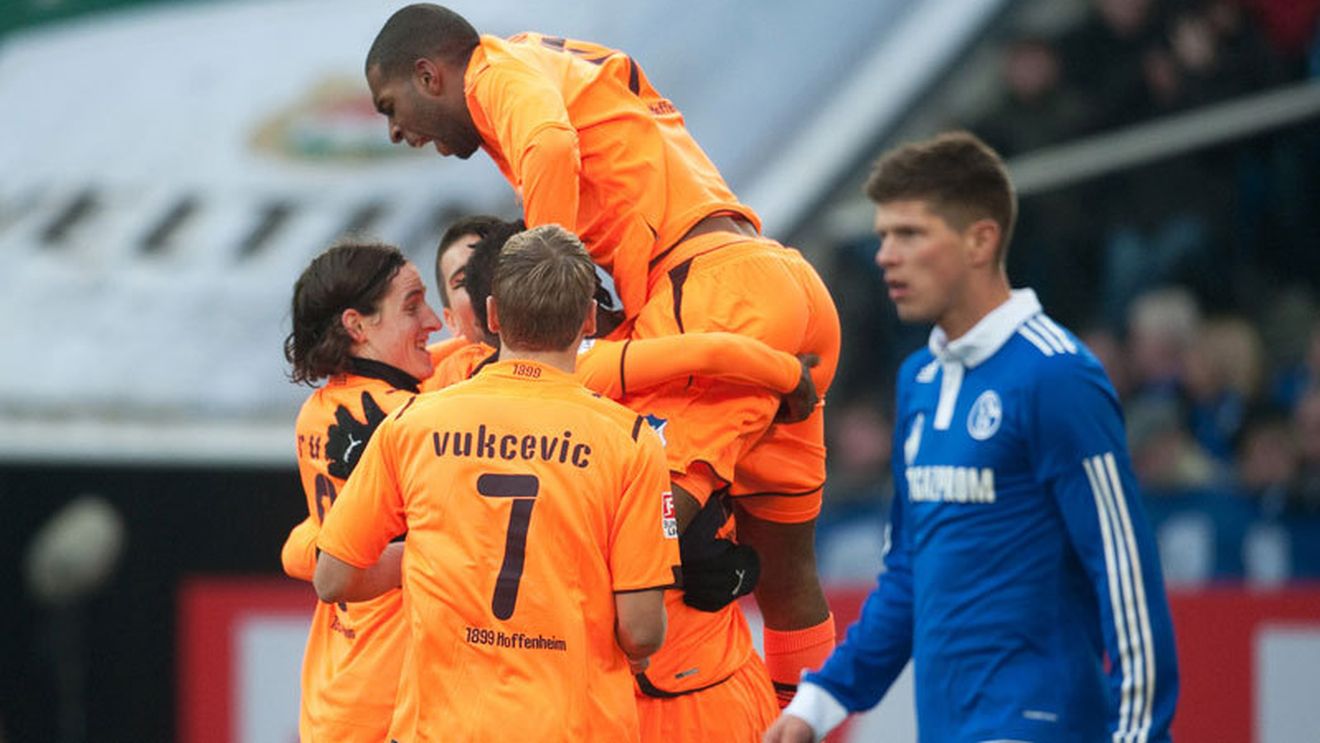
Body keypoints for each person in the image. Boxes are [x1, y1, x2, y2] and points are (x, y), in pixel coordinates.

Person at [364, 7, 841, 720]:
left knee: (652, 519)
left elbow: (552, 144)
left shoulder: (496, 74)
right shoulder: (544, 60)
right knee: (787, 570)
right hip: (772, 278)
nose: (396, 132)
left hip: (711, 290)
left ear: (429, 75)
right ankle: (800, 724)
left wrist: (544, 278)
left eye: (390, 107)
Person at [764, 132, 1179, 742]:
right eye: (883, 235)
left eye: (911, 234)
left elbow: (1124, 574)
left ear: (981, 240)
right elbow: (909, 574)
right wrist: (818, 704)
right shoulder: (920, 380)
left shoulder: (1057, 376)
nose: (886, 256)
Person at [314, 225, 681, 742]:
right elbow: (642, 630)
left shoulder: (413, 424)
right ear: (588, 319)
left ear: (491, 315)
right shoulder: (631, 441)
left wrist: (422, 558)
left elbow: (333, 578)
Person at [279, 241, 442, 742]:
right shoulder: (411, 422)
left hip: (336, 693)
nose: (434, 321)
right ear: (357, 326)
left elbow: (304, 546)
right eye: (412, 306)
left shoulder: (318, 409)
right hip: (393, 704)